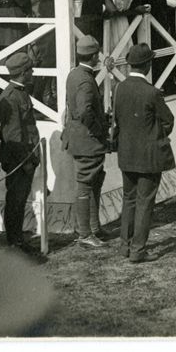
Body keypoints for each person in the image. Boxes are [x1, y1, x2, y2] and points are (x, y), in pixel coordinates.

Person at [113, 43, 175, 263]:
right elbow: (168, 121)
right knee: (144, 202)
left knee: (129, 199)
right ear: (148, 65)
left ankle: (125, 246)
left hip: (126, 153)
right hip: (148, 156)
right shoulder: (152, 92)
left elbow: (117, 119)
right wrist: (153, 135)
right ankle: (138, 250)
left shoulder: (118, 88)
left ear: (131, 64)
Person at [62, 36, 110, 249]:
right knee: (85, 185)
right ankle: (85, 233)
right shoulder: (85, 80)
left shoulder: (74, 74)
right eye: (97, 54)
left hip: (80, 138)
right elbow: (84, 111)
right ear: (93, 56)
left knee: (94, 182)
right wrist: (100, 130)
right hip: (87, 140)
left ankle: (93, 228)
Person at [0, 53, 40, 251]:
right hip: (18, 160)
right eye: (30, 70)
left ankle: (18, 239)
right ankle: (14, 241)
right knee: (15, 200)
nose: (33, 72)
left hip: (26, 156)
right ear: (23, 72)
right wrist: (26, 162)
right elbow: (13, 136)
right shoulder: (10, 97)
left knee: (20, 200)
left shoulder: (20, 92)